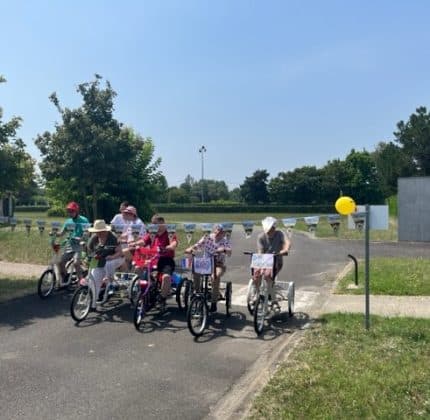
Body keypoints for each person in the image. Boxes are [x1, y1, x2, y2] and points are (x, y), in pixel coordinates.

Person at [185, 223, 232, 312]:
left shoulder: (225, 241)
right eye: (217, 230)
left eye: (221, 231)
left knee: (215, 276)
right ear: (214, 230)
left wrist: (224, 250)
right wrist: (190, 249)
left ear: (223, 232)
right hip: (206, 263)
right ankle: (197, 293)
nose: (218, 232)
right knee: (195, 271)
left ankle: (214, 302)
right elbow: (198, 245)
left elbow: (230, 252)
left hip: (218, 264)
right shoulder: (208, 237)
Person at [140, 214, 178, 309]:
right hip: (153, 258)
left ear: (162, 223)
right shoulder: (152, 233)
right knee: (139, 268)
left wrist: (169, 247)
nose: (153, 226)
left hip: (166, 259)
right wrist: (134, 243)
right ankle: (144, 292)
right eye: (152, 224)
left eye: (155, 224)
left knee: (166, 277)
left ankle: (162, 298)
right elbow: (143, 241)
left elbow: (174, 243)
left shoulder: (170, 233)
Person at [87, 219, 124, 306]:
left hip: (116, 259)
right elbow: (89, 250)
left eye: (101, 231)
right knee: (94, 280)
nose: (99, 233)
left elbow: (120, 252)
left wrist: (112, 257)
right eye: (97, 231)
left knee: (109, 263)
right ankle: (92, 304)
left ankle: (110, 282)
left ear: (105, 230)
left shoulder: (113, 238)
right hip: (100, 261)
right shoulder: (94, 238)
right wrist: (90, 257)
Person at [252, 216, 291, 300]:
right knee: (256, 274)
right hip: (264, 259)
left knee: (267, 276)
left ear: (274, 227)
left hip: (276, 260)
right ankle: (257, 293)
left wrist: (285, 249)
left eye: (271, 229)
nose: (268, 231)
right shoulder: (261, 236)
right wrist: (260, 261)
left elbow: (287, 242)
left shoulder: (280, 233)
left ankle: (273, 298)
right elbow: (260, 250)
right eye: (267, 229)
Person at [54, 202, 89, 283]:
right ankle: (65, 276)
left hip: (79, 245)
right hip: (69, 244)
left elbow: (87, 232)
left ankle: (81, 281)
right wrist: (55, 233)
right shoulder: (68, 221)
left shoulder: (84, 220)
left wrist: (81, 238)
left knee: (76, 263)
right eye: (69, 211)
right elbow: (62, 233)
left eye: (72, 211)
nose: (70, 213)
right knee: (60, 261)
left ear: (76, 211)